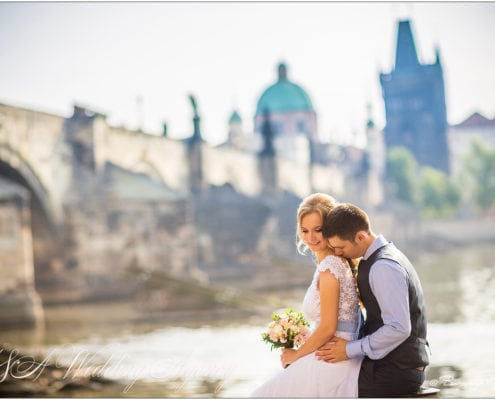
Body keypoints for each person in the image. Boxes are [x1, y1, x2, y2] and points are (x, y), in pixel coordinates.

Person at [251, 193, 363, 398]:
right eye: (305, 231)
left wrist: (295, 355)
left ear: (330, 229)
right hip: (328, 352)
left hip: (331, 358)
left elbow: (328, 328)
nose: (311, 238)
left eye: (318, 230)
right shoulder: (332, 263)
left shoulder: (331, 267)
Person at [317, 202, 429, 397]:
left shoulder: (383, 267)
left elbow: (399, 328)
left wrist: (349, 349)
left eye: (341, 247)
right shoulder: (379, 258)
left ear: (360, 237)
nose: (337, 253)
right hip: (389, 366)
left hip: (396, 372)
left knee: (322, 388)